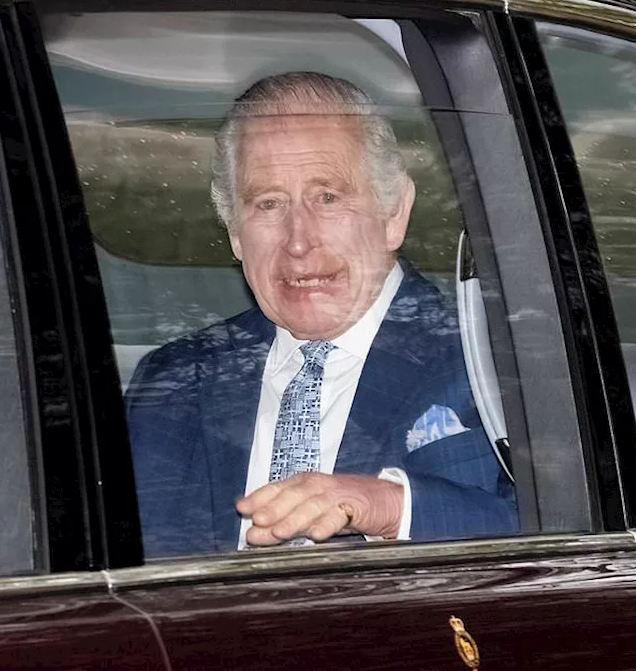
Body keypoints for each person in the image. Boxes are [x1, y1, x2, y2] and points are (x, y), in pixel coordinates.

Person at [126, 72, 516, 558]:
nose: (298, 240)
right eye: (268, 204)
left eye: (327, 198)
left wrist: (393, 507)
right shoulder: (173, 380)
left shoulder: (492, 365)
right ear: (233, 233)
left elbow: (575, 541)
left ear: (394, 212)